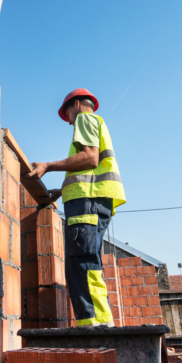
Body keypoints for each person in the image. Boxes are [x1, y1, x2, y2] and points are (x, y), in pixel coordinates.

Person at [27, 89, 126, 327]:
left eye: (68, 113)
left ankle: (94, 326)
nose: (69, 120)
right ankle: (99, 323)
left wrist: (48, 166)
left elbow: (90, 158)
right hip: (93, 200)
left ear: (78, 104)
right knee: (85, 261)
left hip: (89, 202)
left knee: (81, 262)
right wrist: (61, 191)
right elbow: (88, 169)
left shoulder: (85, 118)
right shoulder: (93, 122)